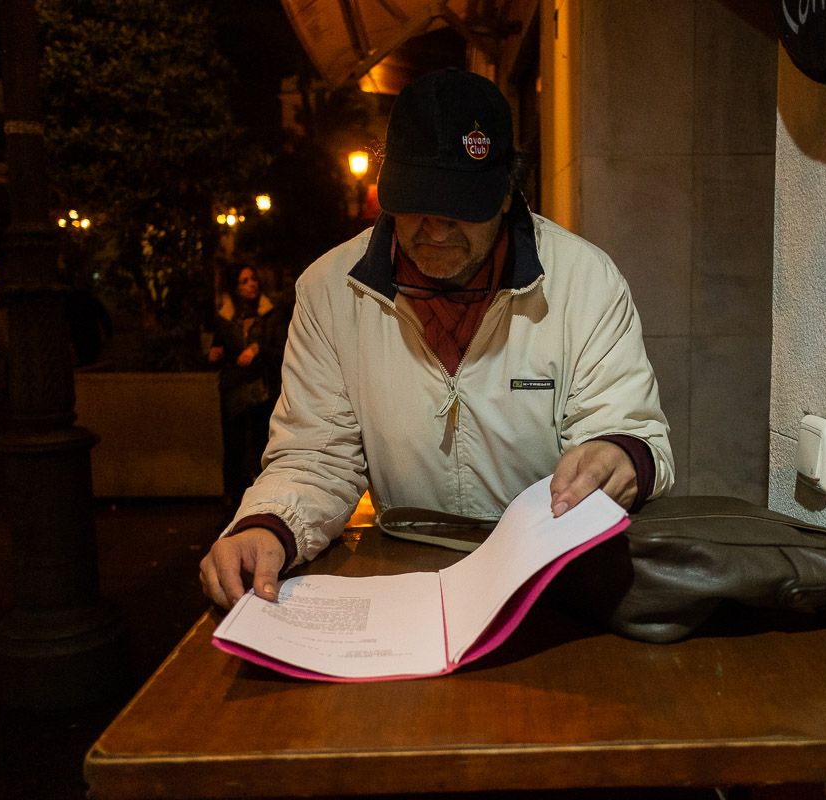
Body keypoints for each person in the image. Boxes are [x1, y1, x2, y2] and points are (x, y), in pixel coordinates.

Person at [200, 69, 674, 610]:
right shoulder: (331, 291)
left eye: (462, 208)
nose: (437, 230)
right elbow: (316, 457)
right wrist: (269, 526)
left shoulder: (584, 281)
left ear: (506, 195)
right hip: (406, 577)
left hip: (548, 575)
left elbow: (627, 427)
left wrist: (618, 453)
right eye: (418, 203)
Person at [208, 262, 289, 508]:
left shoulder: (270, 313)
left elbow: (282, 349)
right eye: (244, 281)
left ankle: (261, 503)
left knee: (260, 447)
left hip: (262, 390)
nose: (251, 284)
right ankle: (234, 503)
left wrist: (257, 349)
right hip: (234, 391)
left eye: (253, 279)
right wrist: (215, 353)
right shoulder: (226, 318)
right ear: (235, 287)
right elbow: (218, 346)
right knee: (234, 447)